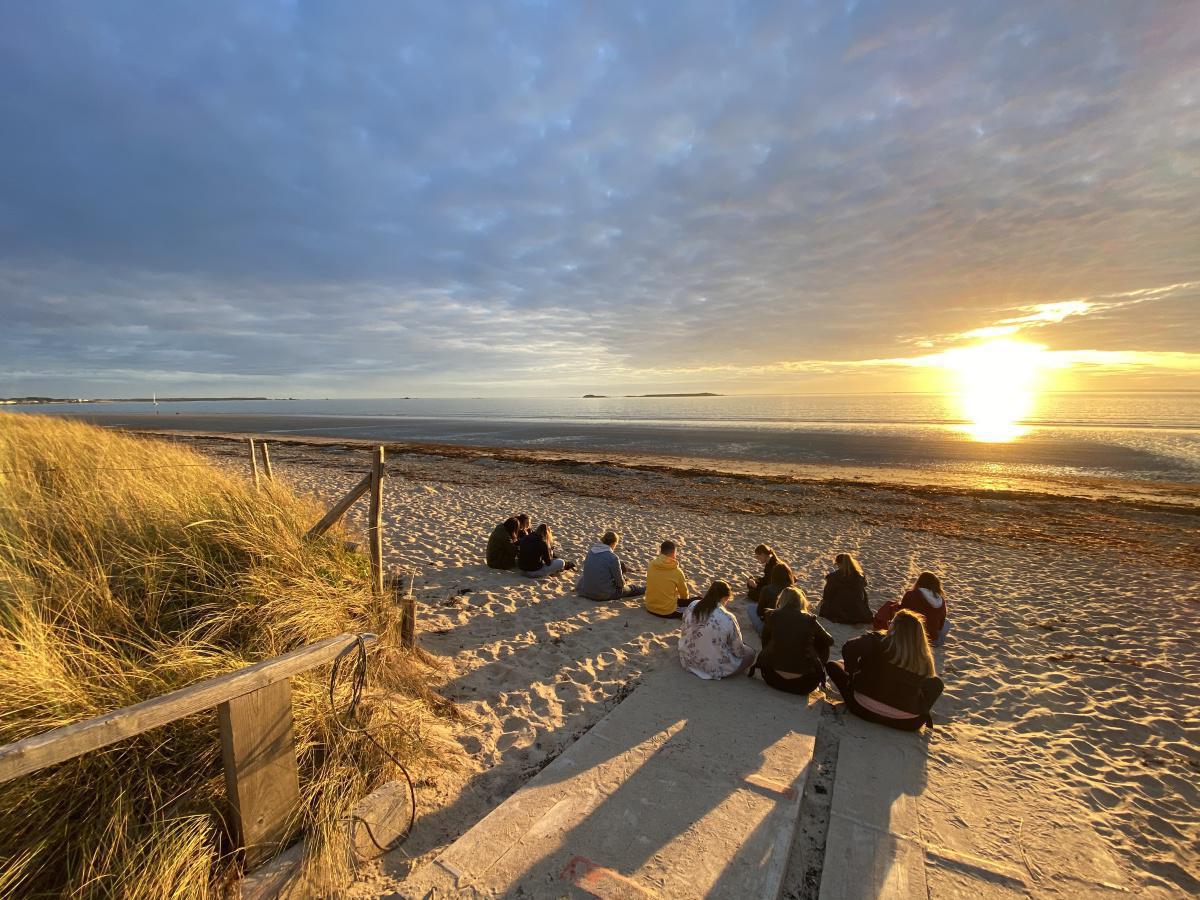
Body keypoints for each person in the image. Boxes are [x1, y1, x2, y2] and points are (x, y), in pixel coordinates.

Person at [825, 610, 944, 731]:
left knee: (833, 666)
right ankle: (920, 711)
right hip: (907, 722)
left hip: (863, 708)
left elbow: (849, 648)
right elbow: (935, 685)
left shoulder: (878, 640)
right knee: (936, 683)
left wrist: (852, 671)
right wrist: (923, 708)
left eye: (891, 622)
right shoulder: (923, 658)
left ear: (895, 627)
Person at [749, 586, 833, 695]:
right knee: (823, 643)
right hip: (804, 684)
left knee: (772, 638)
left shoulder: (772, 615)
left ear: (781, 601)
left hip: (772, 678)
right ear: (801, 602)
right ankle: (813, 668)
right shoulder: (810, 619)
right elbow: (830, 641)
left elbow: (765, 641)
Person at [679, 581, 757, 680]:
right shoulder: (727, 617)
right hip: (713, 668)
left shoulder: (693, 605)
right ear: (724, 598)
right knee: (750, 653)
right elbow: (738, 652)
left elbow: (684, 631)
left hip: (687, 659)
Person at [876, 571, 948, 643]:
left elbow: (901, 615)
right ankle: (936, 641)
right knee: (947, 622)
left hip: (912, 636)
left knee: (891, 606)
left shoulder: (911, 594)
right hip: (932, 638)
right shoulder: (941, 601)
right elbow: (941, 626)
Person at [576, 530, 645, 601]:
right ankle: (646, 589)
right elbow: (620, 584)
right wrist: (623, 581)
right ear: (613, 543)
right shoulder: (613, 557)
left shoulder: (590, 552)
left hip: (585, 591)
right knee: (633, 589)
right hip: (602, 594)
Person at [644, 539, 694, 618]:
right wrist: (684, 601)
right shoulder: (677, 571)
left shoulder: (651, 565)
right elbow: (684, 594)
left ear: (661, 552)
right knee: (697, 601)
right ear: (674, 553)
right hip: (666, 612)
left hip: (649, 607)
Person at [818, 553, 872, 624]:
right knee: (862, 592)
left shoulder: (833, 577)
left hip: (840, 612)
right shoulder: (860, 576)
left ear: (839, 564)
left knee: (826, 603)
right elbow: (864, 585)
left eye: (837, 564)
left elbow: (827, 595)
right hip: (858, 611)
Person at [748, 561, 795, 636]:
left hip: (772, 630)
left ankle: (760, 630)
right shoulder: (797, 591)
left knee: (750, 608)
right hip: (791, 628)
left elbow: (759, 612)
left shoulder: (767, 589)